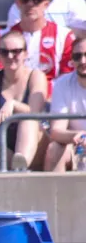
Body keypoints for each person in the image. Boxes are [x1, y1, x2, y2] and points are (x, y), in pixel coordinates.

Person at [0, 31, 48, 171]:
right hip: (6, 145)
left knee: (28, 119)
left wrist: (13, 104)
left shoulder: (36, 76)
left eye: (16, 51)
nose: (10, 56)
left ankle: (20, 167)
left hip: (37, 147)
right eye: (4, 52)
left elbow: (35, 112)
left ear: (26, 54)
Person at [45, 38, 86, 171]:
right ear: (72, 60)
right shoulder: (63, 83)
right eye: (77, 56)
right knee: (55, 149)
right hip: (78, 145)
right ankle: (52, 192)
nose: (83, 61)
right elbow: (56, 131)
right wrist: (77, 135)